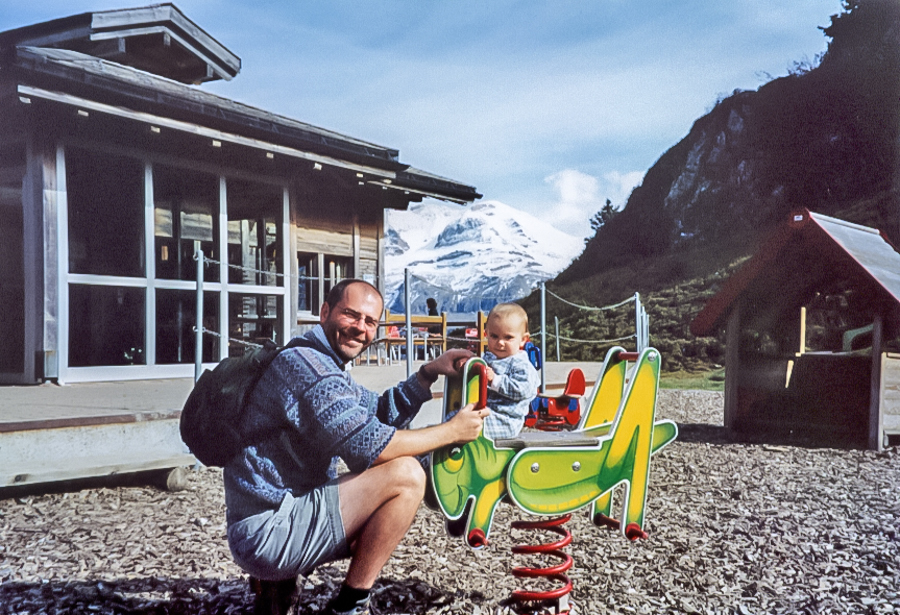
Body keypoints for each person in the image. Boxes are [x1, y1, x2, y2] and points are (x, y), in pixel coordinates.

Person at [223, 279, 483, 615]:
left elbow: (378, 413)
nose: (360, 328)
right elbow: (370, 446)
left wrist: (427, 373)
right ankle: (349, 606)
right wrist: (452, 432)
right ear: (325, 312)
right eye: (351, 315)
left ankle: (277, 587)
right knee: (406, 475)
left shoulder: (316, 359)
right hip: (267, 531)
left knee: (394, 472)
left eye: (370, 321)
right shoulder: (311, 369)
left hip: (271, 517)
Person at [480, 303, 541, 440]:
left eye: (508, 337)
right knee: (455, 418)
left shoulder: (521, 364)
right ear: (486, 334)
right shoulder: (489, 358)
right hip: (487, 412)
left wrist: (495, 380)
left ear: (523, 340)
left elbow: (522, 389)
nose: (500, 343)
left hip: (506, 420)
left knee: (468, 428)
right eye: (494, 336)